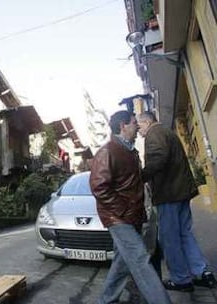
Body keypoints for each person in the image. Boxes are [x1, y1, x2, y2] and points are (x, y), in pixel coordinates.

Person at [90, 110, 171, 304]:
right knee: (140, 259)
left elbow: (132, 182)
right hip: (118, 218)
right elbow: (99, 187)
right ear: (122, 126)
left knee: (122, 262)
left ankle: (106, 300)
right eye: (134, 123)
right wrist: (123, 210)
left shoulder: (130, 151)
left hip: (132, 215)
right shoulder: (107, 151)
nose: (137, 127)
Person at [137, 111, 216, 292]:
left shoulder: (154, 133)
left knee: (169, 238)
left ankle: (181, 280)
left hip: (168, 194)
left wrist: (141, 176)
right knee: (185, 234)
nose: (139, 130)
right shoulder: (166, 131)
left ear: (147, 122)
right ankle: (203, 273)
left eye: (140, 126)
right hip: (180, 192)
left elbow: (158, 158)